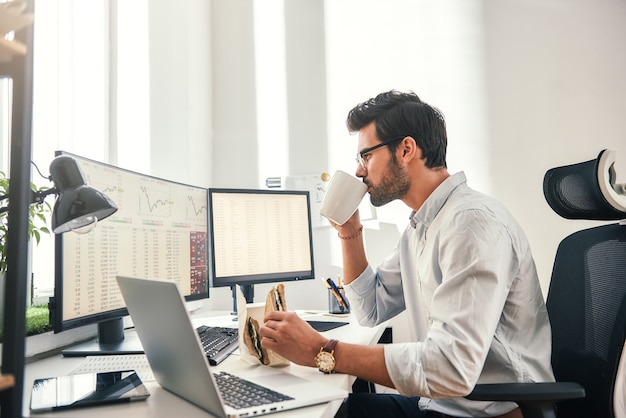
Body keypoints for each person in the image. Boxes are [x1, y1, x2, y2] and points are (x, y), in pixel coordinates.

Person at [259, 90, 554, 418]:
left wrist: (320, 350)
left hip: (485, 413)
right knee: (321, 409)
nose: (359, 172)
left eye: (366, 156)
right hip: (444, 404)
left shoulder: (471, 222)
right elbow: (370, 309)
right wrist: (348, 233)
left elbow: (451, 367)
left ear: (406, 149)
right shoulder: (423, 226)